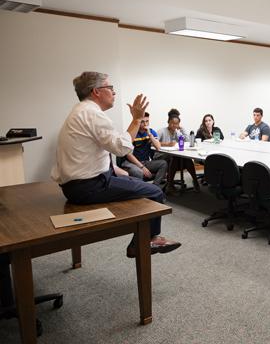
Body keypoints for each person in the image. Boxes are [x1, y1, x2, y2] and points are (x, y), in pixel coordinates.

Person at [51, 71, 180, 258]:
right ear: (96, 91)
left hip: (76, 184)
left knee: (130, 178)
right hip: (88, 187)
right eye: (110, 88)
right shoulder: (92, 114)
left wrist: (115, 169)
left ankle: (144, 236)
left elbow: (95, 151)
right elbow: (121, 148)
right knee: (155, 192)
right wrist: (136, 119)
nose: (114, 92)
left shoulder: (81, 111)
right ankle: (145, 242)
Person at [121, 112, 168, 186]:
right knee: (138, 172)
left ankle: (155, 188)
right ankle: (141, 191)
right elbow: (128, 154)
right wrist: (142, 167)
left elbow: (158, 147)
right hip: (131, 162)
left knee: (163, 164)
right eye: (142, 122)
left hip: (145, 161)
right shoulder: (133, 133)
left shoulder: (151, 132)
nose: (145, 124)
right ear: (138, 122)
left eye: (147, 121)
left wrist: (149, 134)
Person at [157, 114, 200, 193]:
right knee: (176, 158)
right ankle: (170, 186)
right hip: (161, 156)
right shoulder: (161, 131)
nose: (174, 125)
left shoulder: (177, 132)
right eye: (172, 123)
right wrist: (167, 144)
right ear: (168, 122)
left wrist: (182, 129)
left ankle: (195, 181)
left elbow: (187, 141)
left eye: (176, 123)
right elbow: (153, 143)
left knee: (187, 158)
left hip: (173, 156)